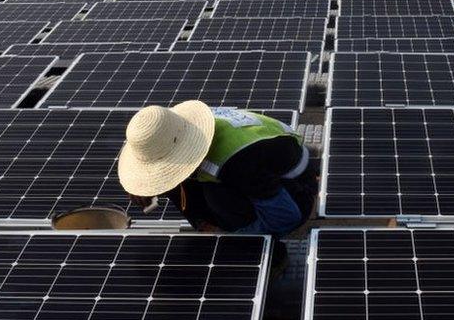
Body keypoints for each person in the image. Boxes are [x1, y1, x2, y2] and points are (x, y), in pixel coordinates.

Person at [117, 100, 317, 236]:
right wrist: (150, 186)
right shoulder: (182, 129)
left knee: (216, 198)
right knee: (191, 187)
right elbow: (175, 172)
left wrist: (229, 239)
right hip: (264, 166)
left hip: (296, 192)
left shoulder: (235, 163)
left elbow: (286, 217)